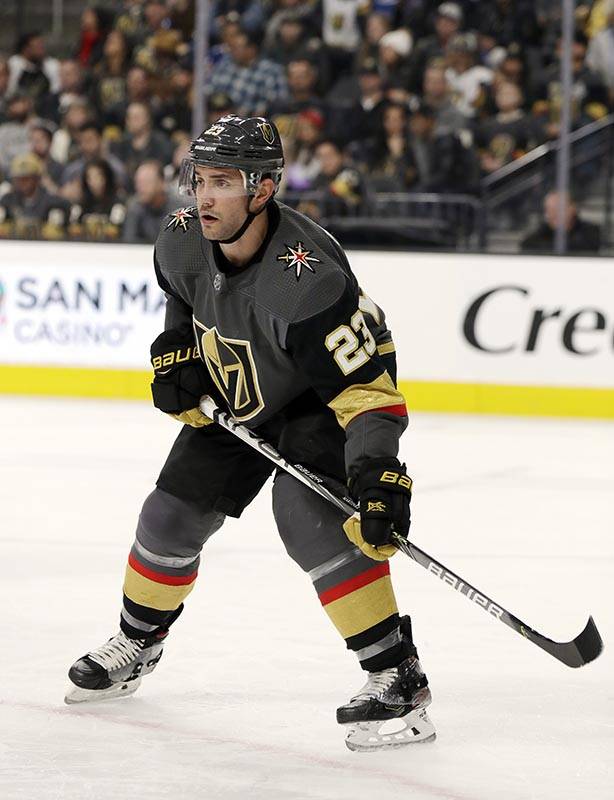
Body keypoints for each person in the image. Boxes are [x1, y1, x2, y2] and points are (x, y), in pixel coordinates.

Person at [65, 114, 435, 753]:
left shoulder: (308, 277)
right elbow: (183, 296)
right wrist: (176, 346)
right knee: (169, 516)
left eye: (222, 183)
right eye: (198, 179)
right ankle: (138, 643)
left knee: (310, 518)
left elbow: (366, 393)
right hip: (242, 382)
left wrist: (378, 473)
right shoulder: (180, 238)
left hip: (320, 398)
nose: (203, 196)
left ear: (263, 190)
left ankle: (396, 675)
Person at [0, 152, 71, 240]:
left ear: (36, 178)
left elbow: (64, 225)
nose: (22, 183)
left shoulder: (52, 202)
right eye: (19, 179)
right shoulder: (8, 200)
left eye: (26, 178)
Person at [520, 191, 601, 254]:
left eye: (558, 209)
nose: (553, 214)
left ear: (572, 208)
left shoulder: (590, 231)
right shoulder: (543, 232)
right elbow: (527, 245)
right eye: (549, 210)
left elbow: (585, 250)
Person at [122, 159, 178, 243]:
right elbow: (130, 244)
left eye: (146, 182)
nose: (140, 187)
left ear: (162, 183)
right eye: (138, 182)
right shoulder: (134, 208)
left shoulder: (179, 209)